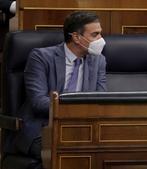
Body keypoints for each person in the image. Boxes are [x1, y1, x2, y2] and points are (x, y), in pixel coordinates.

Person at [4, 11, 107, 168]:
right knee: (73, 153)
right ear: (76, 37)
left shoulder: (98, 60)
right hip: (42, 128)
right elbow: (39, 102)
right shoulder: (41, 57)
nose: (101, 40)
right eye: (95, 34)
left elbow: (101, 100)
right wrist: (78, 110)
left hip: (81, 129)